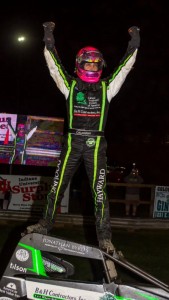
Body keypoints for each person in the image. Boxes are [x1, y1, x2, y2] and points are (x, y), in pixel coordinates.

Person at [26, 22, 140, 254]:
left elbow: (125, 67)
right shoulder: (70, 85)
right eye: (87, 62)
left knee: (99, 193)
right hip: (71, 144)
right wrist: (49, 37)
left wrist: (135, 42)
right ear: (79, 64)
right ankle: (45, 225)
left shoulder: (108, 87)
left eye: (95, 63)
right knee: (56, 188)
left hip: (96, 146)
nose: (91, 66)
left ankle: (105, 240)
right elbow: (54, 67)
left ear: (100, 65)